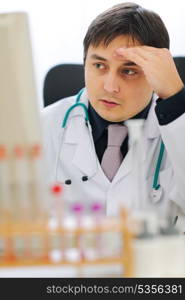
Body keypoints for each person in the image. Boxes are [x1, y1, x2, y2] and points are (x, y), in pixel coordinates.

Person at [41, 2, 185, 223]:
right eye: (99, 66)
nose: (110, 86)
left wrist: (177, 100)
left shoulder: (178, 126)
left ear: (155, 72)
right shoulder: (43, 127)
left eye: (128, 70)